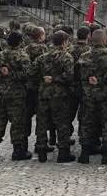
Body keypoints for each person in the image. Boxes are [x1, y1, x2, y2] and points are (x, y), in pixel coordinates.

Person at [31, 31, 76, 163]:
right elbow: (69, 76)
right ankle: (63, 152)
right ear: (64, 42)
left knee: (42, 123)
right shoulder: (66, 57)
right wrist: (56, 78)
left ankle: (42, 151)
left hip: (44, 94)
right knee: (62, 123)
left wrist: (42, 78)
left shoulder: (42, 57)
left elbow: (31, 72)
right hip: (60, 95)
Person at [0, 31, 32, 161]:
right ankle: (17, 151)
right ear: (20, 42)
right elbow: (26, 74)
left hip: (1, 91)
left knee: (0, 121)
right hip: (17, 92)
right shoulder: (23, 56)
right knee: (17, 122)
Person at [77, 29, 107, 164]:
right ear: (105, 40)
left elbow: (77, 75)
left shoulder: (84, 56)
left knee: (87, 123)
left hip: (88, 95)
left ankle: (85, 153)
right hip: (106, 95)